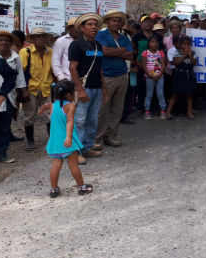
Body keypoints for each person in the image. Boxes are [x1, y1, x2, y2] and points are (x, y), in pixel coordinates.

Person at [38, 80, 93, 198]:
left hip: (55, 143)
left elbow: (46, 106)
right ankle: (82, 187)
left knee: (56, 165)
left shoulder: (53, 105)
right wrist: (68, 136)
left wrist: (42, 109)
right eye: (74, 92)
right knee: (73, 165)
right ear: (69, 94)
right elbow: (69, 121)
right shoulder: (70, 106)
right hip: (67, 142)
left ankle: (54, 189)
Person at [68, 13, 107, 162]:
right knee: (80, 120)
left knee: (92, 120)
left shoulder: (98, 45)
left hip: (96, 87)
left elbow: (100, 68)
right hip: (84, 87)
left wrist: (103, 88)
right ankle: (75, 152)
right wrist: (80, 89)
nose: (93, 27)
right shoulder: (76, 44)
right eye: (89, 24)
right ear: (82, 27)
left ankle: (87, 148)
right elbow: (72, 68)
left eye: (95, 25)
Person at [94, 10, 132, 149]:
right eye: (113, 20)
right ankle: (97, 138)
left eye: (118, 21)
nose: (116, 23)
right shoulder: (101, 34)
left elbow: (130, 55)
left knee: (117, 108)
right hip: (106, 76)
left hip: (122, 75)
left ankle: (111, 135)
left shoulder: (123, 38)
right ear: (108, 22)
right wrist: (121, 51)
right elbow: (104, 51)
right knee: (102, 108)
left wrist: (115, 52)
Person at [19, 27, 54, 151]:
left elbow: (53, 71)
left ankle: (53, 140)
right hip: (31, 89)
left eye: (43, 36)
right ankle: (30, 141)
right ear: (32, 39)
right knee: (29, 115)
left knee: (51, 115)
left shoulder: (50, 52)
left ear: (46, 38)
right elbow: (20, 72)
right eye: (37, 36)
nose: (40, 39)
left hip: (47, 88)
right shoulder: (25, 52)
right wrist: (23, 90)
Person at [0, 33, 21, 163]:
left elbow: (12, 75)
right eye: (1, 40)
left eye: (6, 40)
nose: (3, 43)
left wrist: (2, 94)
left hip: (0, 100)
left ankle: (0, 153)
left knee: (3, 126)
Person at [132, 16, 164, 113]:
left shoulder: (157, 37)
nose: (148, 24)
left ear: (153, 24)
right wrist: (136, 62)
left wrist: (161, 67)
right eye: (145, 22)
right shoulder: (138, 36)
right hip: (140, 65)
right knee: (141, 87)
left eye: (150, 22)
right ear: (142, 24)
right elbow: (134, 50)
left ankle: (154, 107)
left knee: (154, 88)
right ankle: (140, 107)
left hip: (155, 67)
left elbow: (161, 51)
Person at [166, 36, 197, 119]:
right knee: (175, 94)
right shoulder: (177, 52)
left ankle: (189, 112)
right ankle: (168, 112)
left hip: (189, 74)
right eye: (184, 44)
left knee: (189, 94)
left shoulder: (193, 52)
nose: (186, 46)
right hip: (179, 74)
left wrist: (190, 55)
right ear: (180, 44)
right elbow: (175, 63)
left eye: (188, 44)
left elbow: (194, 63)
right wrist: (185, 55)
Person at [141, 36, 167, 120]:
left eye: (156, 42)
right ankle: (147, 111)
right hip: (149, 77)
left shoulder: (161, 53)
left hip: (160, 77)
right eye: (152, 42)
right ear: (148, 44)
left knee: (160, 93)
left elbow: (163, 65)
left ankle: (163, 111)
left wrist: (159, 75)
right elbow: (144, 65)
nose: (154, 44)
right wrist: (149, 75)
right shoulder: (145, 53)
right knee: (149, 94)